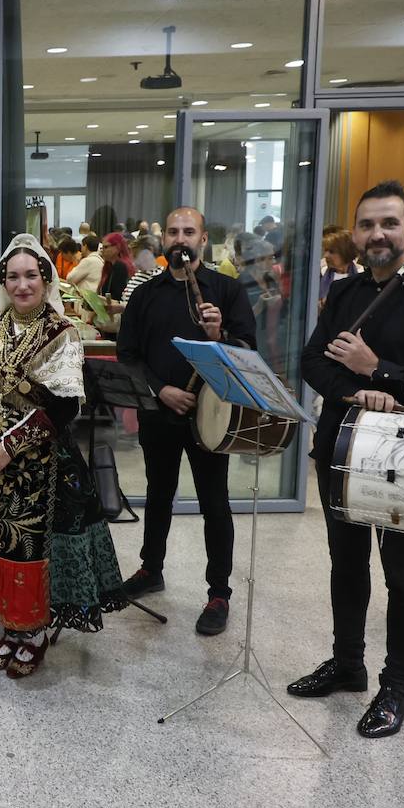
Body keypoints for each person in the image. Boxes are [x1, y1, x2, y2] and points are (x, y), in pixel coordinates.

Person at [290, 180, 404, 738]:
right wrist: (351, 391)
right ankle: (348, 666)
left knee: (402, 572)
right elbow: (310, 362)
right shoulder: (345, 293)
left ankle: (397, 688)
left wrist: (380, 372)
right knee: (346, 564)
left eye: (389, 223)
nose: (378, 234)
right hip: (342, 449)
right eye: (368, 224)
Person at [0, 233, 125, 677]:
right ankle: (9, 624)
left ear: (45, 278)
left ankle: (33, 630)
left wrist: (8, 447)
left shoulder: (61, 331)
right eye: (13, 277)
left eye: (30, 276)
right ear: (3, 281)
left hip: (36, 461)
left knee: (30, 545)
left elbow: (64, 404)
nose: (22, 285)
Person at [116, 207, 258, 635]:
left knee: (215, 502)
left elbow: (248, 354)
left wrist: (220, 338)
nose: (180, 239)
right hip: (159, 411)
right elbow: (128, 355)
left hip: (211, 416)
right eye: (174, 232)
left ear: (203, 238)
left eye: (189, 232)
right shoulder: (145, 294)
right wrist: (161, 389)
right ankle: (151, 569)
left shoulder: (228, 292)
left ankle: (219, 593)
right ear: (165, 240)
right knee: (158, 494)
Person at [320, 230, 361, 303]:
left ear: (345, 253)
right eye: (325, 250)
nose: (325, 256)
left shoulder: (361, 275)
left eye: (331, 252)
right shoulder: (320, 274)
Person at [98, 232, 133, 300]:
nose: (102, 251)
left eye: (106, 247)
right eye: (102, 247)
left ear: (117, 247)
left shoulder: (121, 266)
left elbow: (116, 296)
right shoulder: (110, 266)